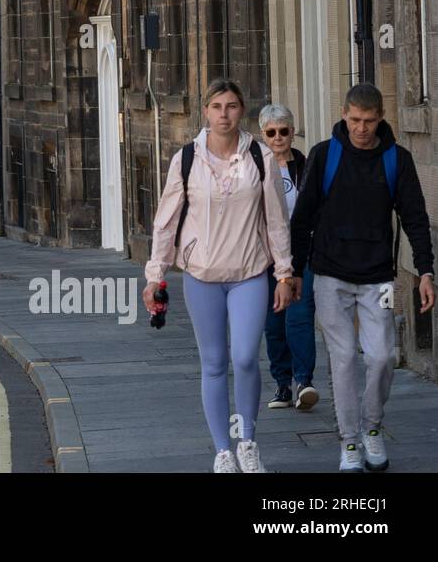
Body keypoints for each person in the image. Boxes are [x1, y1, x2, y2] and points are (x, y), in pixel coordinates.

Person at [144, 79, 296, 473]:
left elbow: (277, 220)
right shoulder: (187, 159)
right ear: (206, 111)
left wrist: (284, 273)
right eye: (216, 106)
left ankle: (247, 443)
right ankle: (222, 451)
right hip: (202, 276)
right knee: (213, 363)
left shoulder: (260, 157)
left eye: (231, 106)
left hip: (248, 273)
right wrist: (155, 274)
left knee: (245, 357)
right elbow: (166, 221)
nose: (224, 114)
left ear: (241, 111)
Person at [289, 83, 435, 472]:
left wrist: (425, 271)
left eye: (369, 121)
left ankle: (372, 428)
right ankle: (349, 441)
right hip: (329, 274)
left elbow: (416, 218)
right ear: (344, 114)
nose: (361, 128)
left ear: (381, 118)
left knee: (383, 356)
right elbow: (301, 219)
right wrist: (294, 272)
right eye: (354, 120)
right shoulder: (324, 155)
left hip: (378, 279)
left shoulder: (396, 160)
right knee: (343, 359)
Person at [258, 104, 318, 412]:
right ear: (263, 135)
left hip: (300, 255)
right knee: (274, 322)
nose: (278, 137)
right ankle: (282, 384)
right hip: (267, 259)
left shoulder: (306, 167)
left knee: (300, 316)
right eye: (271, 132)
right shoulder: (253, 170)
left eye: (284, 131)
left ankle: (303, 381)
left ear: (293, 133)